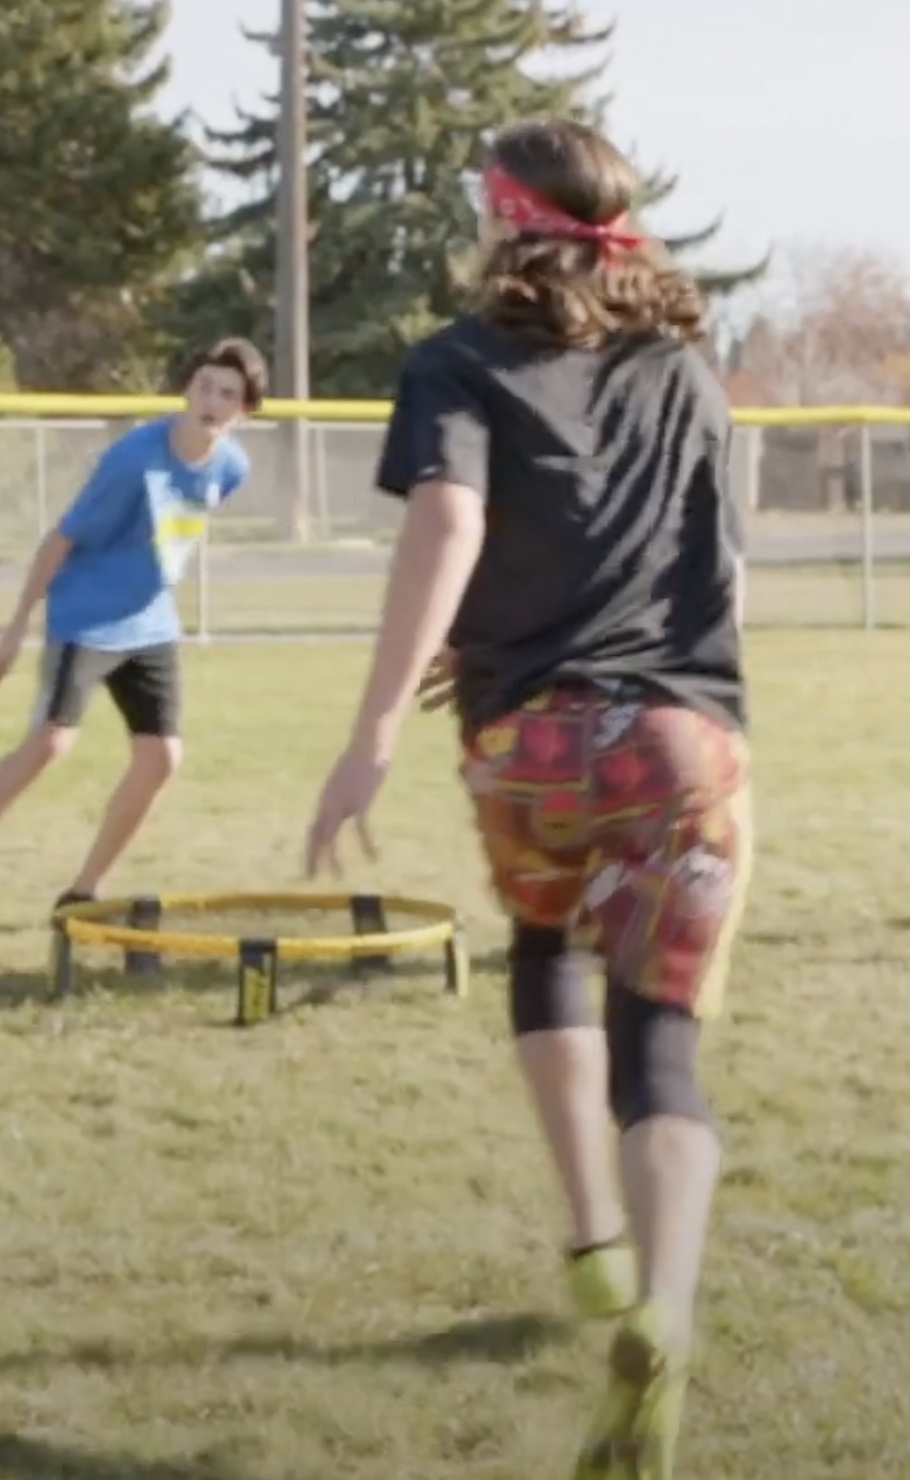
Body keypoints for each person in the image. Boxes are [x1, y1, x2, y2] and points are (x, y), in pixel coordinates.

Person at [300, 119, 747, 1480]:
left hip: (531, 746)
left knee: (545, 948)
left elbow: (453, 521)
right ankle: (663, 1310)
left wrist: (377, 720)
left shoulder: (457, 360)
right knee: (660, 1045)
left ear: (507, 220)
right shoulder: (685, 370)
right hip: (681, 740)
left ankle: (590, 1241)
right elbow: (706, 555)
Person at [0, 340, 264, 938]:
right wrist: (15, 630)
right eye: (204, 386)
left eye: (228, 394)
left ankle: (83, 892)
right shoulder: (134, 459)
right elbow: (60, 539)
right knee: (49, 745)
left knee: (161, 758)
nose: (212, 401)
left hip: (151, 623)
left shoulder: (232, 467)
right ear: (186, 390)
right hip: (86, 618)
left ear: (244, 411)